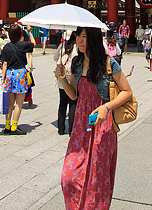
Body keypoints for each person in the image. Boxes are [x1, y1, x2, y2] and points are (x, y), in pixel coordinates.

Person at [57, 26, 133, 209]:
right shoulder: (76, 62)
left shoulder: (109, 63)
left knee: (96, 181)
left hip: (102, 128)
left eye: (84, 37)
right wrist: (62, 79)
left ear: (94, 39)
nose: (80, 41)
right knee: (69, 178)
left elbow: (127, 92)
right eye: (78, 37)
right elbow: (74, 95)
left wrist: (106, 107)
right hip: (81, 125)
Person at [0, 24, 35, 135]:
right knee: (19, 103)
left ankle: (7, 126)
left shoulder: (6, 47)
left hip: (9, 75)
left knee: (10, 103)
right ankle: (14, 127)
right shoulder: (23, 45)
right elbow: (33, 44)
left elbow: (4, 63)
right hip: (20, 74)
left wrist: (3, 78)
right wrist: (29, 32)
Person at [55, 31, 77, 135]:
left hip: (62, 78)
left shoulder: (63, 46)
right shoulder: (78, 47)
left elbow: (55, 57)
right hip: (72, 78)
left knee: (62, 103)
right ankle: (71, 129)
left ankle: (61, 128)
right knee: (72, 103)